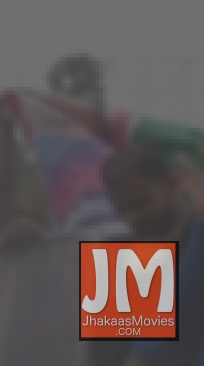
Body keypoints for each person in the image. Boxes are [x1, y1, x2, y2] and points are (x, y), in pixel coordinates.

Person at [101, 143, 204, 366]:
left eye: (141, 204)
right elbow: (111, 352)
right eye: (123, 210)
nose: (133, 218)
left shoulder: (198, 241)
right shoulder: (120, 261)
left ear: (172, 184)